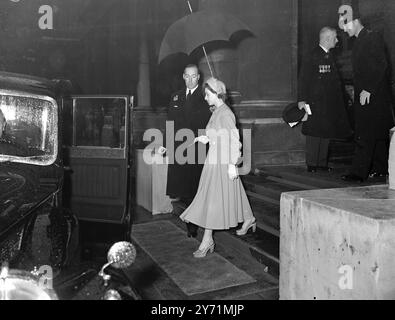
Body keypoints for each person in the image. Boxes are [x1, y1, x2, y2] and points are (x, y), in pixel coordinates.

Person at [180, 77, 256, 258]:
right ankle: (249, 218)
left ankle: (207, 240)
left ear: (216, 93)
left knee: (212, 199)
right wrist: (205, 138)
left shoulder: (226, 113)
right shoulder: (216, 111)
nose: (205, 98)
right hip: (213, 159)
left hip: (222, 161)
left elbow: (235, 140)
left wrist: (232, 164)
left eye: (207, 94)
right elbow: (216, 134)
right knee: (231, 189)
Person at [158, 64, 211, 238]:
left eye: (193, 76)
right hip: (179, 148)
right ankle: (191, 220)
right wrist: (165, 143)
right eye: (187, 76)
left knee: (195, 187)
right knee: (183, 189)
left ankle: (193, 224)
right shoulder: (176, 97)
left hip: (198, 149)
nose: (190, 80)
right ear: (183, 76)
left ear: (198, 78)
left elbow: (212, 124)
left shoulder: (206, 97)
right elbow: (169, 123)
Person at [340, 11, 394, 182]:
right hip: (369, 94)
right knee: (375, 133)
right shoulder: (360, 40)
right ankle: (380, 168)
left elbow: (381, 65)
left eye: (346, 24)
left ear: (356, 21)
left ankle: (358, 172)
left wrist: (368, 89)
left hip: (372, 95)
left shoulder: (372, 37)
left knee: (364, 132)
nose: (344, 29)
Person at [298, 27, 352, 173]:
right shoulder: (312, 55)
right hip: (315, 102)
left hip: (328, 102)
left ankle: (321, 163)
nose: (337, 40)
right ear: (327, 38)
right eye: (335, 37)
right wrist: (302, 100)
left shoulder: (330, 56)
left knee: (326, 131)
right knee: (314, 132)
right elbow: (304, 79)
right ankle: (312, 163)